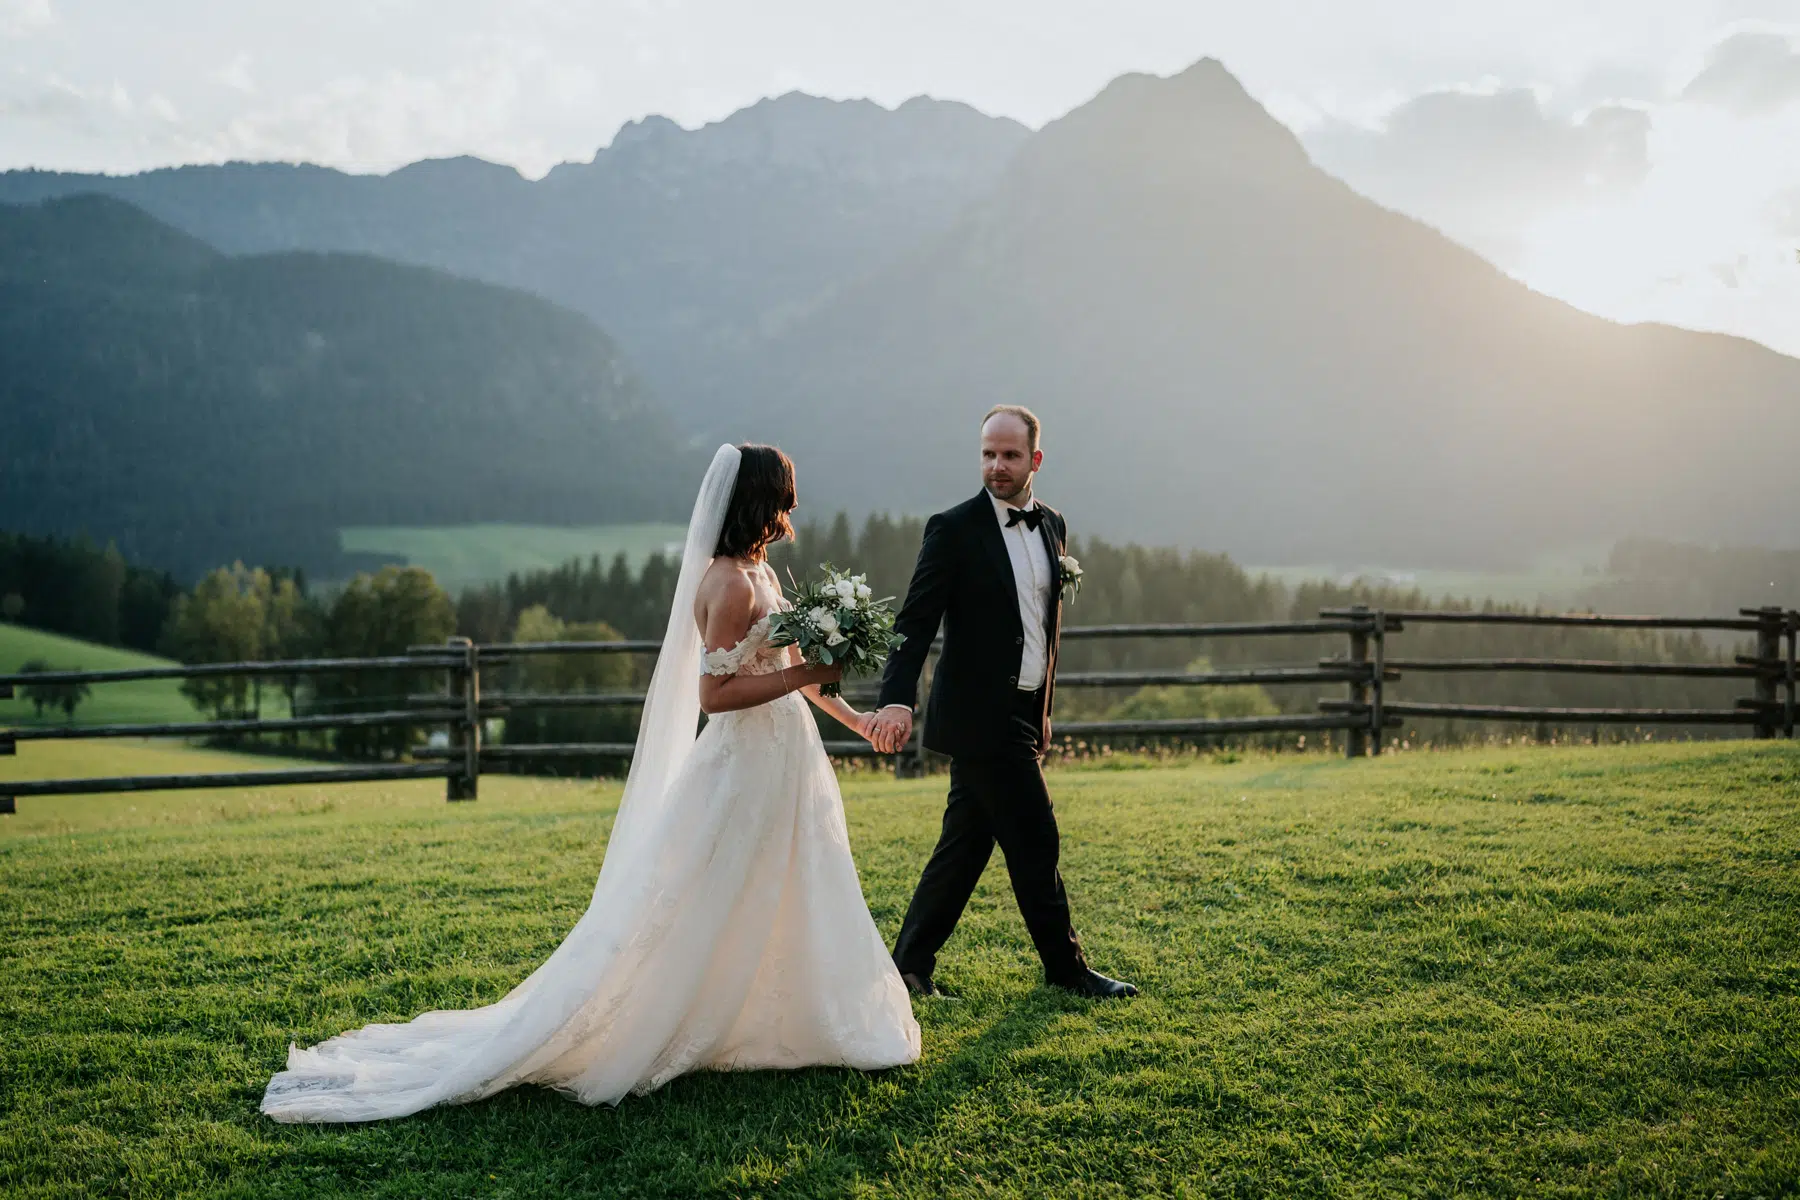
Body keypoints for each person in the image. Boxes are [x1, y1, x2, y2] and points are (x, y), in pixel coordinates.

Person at [262, 444, 921, 1123]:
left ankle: (783, 1015)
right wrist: (799, 679)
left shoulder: (764, 571)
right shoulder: (725, 583)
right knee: (704, 895)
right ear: (760, 499)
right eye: (785, 494)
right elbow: (715, 694)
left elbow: (796, 667)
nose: (792, 507)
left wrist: (859, 718)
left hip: (788, 758)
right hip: (741, 763)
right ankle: (675, 1016)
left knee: (791, 882)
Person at [869, 406, 1137, 1000]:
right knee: (1036, 836)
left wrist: (1040, 712)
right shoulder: (953, 528)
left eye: (1010, 455)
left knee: (965, 846)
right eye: (988, 453)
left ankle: (908, 967)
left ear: (1035, 460)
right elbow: (913, 624)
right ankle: (1067, 971)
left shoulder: (1052, 526)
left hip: (1022, 713)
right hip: (978, 715)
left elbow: (1043, 632)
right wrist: (896, 702)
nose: (997, 465)